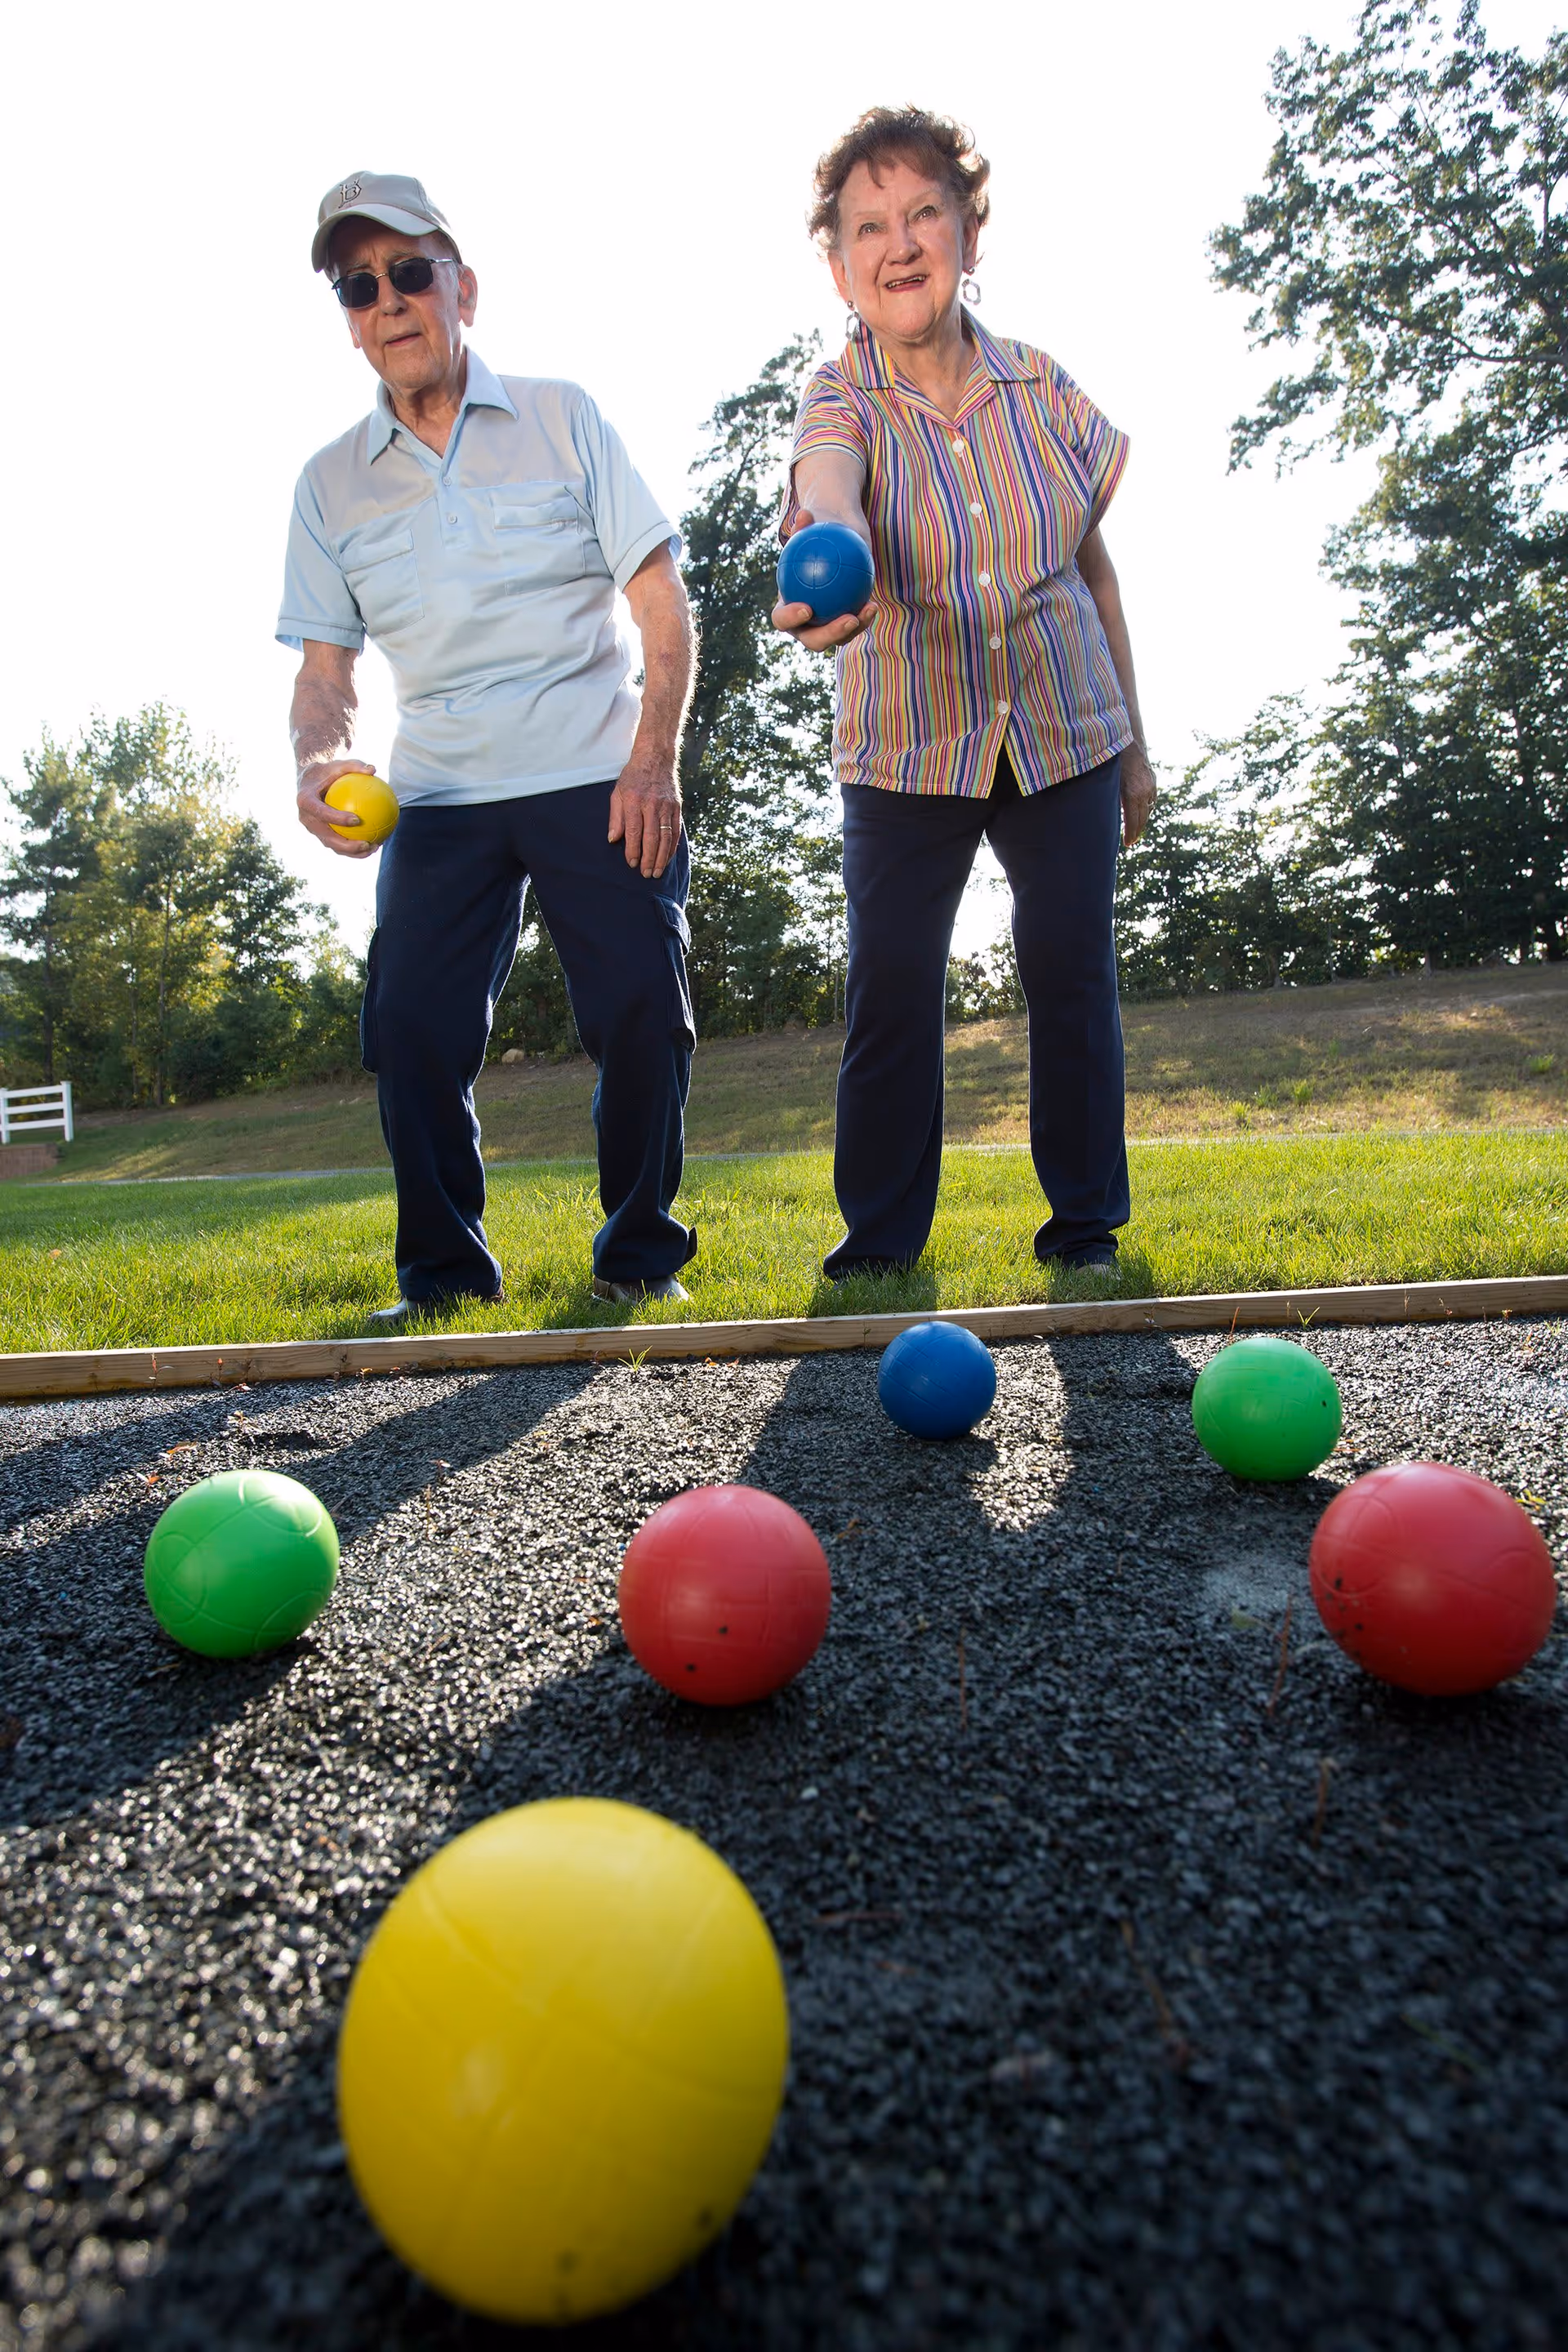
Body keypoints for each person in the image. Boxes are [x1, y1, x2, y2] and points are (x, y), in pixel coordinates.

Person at [278, 172, 698, 1318]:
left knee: (640, 1016)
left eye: (410, 272)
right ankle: (444, 1278)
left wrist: (652, 759)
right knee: (409, 1026)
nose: (390, 300)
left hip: (596, 771)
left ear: (463, 287)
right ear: (351, 318)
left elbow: (662, 604)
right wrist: (320, 762)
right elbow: (325, 677)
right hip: (441, 793)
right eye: (359, 287)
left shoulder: (565, 416)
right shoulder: (327, 486)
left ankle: (638, 1255)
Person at [774, 109, 1156, 1281]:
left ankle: (1085, 1231)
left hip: (1063, 729)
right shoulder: (839, 398)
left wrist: (1134, 745)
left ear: (969, 231)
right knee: (891, 988)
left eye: (923, 213)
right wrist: (828, 553)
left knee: (1070, 969)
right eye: (868, 226)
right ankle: (882, 1247)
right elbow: (828, 493)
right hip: (908, 747)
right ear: (839, 263)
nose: (900, 243)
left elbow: (1091, 566)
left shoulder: (1044, 390)